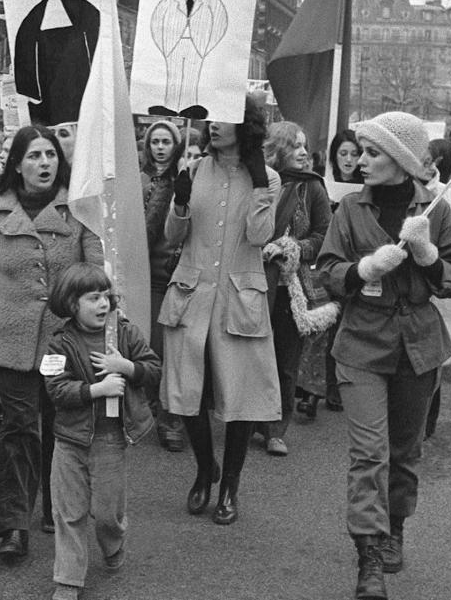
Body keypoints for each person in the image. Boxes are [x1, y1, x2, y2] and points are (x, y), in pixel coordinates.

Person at [315, 111, 451, 599]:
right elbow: (328, 270)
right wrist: (362, 269)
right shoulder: (349, 210)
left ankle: (395, 526)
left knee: (405, 452)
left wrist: (426, 253)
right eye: (361, 151)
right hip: (361, 343)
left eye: (372, 153)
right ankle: (369, 557)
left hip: (418, 347)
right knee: (368, 455)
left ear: (401, 161)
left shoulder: (436, 209)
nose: (360, 161)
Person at [0, 126, 104, 560]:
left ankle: (57, 506)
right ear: (17, 163)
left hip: (62, 344)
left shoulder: (79, 207)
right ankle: (13, 524)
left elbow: (98, 275)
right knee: (18, 427)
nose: (45, 163)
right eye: (35, 156)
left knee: (59, 422)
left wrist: (98, 327)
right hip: (14, 341)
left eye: (51, 155)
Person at [159, 93, 280, 526]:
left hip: (238, 300)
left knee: (239, 398)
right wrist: (180, 201)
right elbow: (173, 237)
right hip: (192, 296)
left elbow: (259, 236)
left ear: (244, 125)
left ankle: (230, 484)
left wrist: (262, 187)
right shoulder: (192, 169)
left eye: (223, 118)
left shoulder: (268, 178)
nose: (213, 125)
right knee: (189, 393)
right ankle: (204, 469)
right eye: (210, 118)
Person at [43, 263, 160, 600]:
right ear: (71, 302)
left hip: (110, 440)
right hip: (69, 439)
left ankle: (113, 541)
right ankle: (68, 579)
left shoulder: (124, 332)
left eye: (106, 296)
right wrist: (97, 389)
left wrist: (125, 367)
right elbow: (56, 390)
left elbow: (153, 368)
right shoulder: (60, 342)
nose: (103, 304)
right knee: (68, 511)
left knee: (107, 512)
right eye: (92, 298)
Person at [256, 121, 331, 455]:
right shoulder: (256, 181)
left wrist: (292, 247)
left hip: (291, 287)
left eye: (305, 146)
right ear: (278, 149)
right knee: (253, 357)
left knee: (285, 360)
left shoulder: (312, 188)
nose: (304, 153)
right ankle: (246, 420)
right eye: (295, 146)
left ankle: (276, 428)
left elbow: (322, 237)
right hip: (254, 282)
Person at [138, 118, 186, 451]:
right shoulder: (138, 179)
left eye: (166, 141)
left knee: (178, 353)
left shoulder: (187, 176)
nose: (159, 147)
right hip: (148, 273)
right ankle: (151, 407)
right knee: (152, 348)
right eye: (154, 141)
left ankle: (172, 419)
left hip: (180, 273)